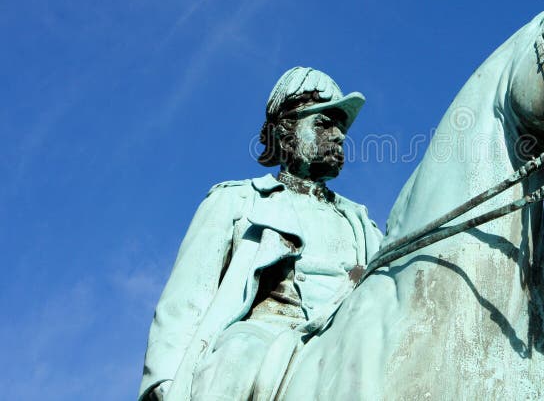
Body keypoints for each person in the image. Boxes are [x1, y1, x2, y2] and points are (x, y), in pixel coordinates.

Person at [139, 67, 383, 401]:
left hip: (351, 338)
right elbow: (186, 298)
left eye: (341, 126)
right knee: (236, 357)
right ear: (285, 133)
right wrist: (164, 379)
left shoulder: (361, 222)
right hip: (265, 336)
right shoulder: (236, 200)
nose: (339, 135)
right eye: (324, 123)